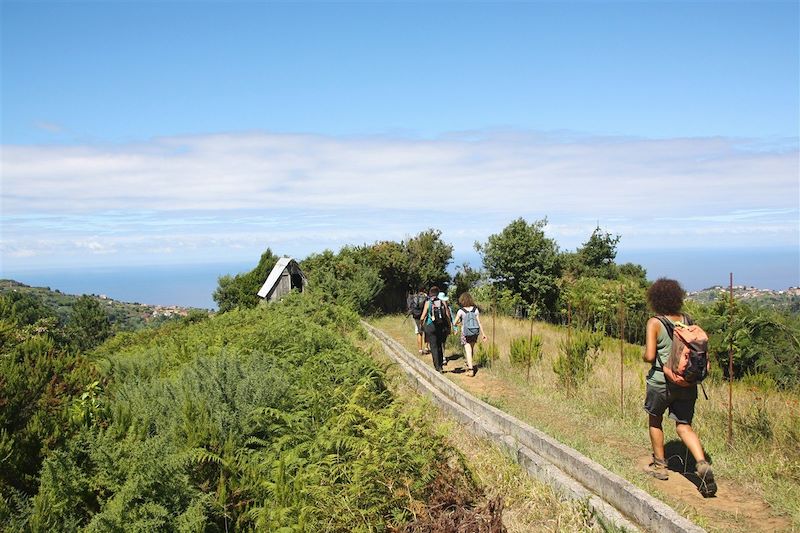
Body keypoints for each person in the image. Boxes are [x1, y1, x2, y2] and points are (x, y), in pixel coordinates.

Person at [642, 278, 717, 496]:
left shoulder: (654, 323)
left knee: (655, 419)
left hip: (660, 382)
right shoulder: (687, 320)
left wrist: (646, 355)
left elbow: (649, 356)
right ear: (677, 297)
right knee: (684, 426)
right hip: (687, 382)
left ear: (655, 299)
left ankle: (660, 466)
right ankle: (702, 463)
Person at [453, 292, 487, 377]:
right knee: (471, 349)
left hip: (465, 333)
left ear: (462, 300)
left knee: (468, 350)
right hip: (475, 332)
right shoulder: (475, 310)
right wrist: (483, 334)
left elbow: (454, 322)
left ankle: (471, 370)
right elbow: (479, 323)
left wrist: (458, 323)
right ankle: (469, 365)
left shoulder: (461, 311)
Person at [419, 286, 451, 373]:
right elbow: (447, 315)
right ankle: (441, 365)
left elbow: (423, 316)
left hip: (431, 326)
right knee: (440, 345)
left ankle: (437, 367)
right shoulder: (442, 302)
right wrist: (449, 326)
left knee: (433, 347)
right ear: (438, 293)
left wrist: (421, 325)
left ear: (430, 293)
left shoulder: (428, 303)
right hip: (441, 326)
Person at [407, 287, 429, 355]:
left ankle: (420, 350)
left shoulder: (414, 297)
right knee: (427, 332)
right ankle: (426, 348)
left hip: (416, 317)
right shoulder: (426, 297)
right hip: (424, 316)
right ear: (424, 290)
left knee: (419, 332)